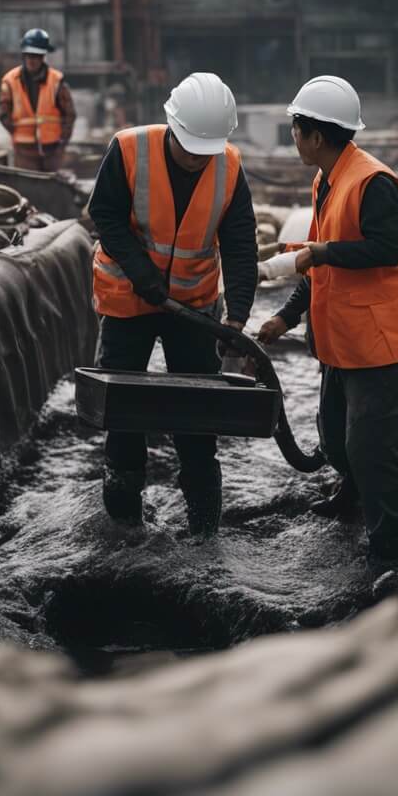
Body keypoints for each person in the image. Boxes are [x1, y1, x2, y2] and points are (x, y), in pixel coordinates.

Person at [256, 75, 398, 583]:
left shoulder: (372, 181)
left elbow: (386, 248)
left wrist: (317, 253)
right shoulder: (328, 178)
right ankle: (353, 495)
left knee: (372, 449)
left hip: (378, 339)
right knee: (335, 439)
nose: (293, 137)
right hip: (341, 338)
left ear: (317, 136)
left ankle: (392, 545)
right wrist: (286, 317)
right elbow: (320, 265)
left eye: (296, 129)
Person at [88, 72, 258, 538]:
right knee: (124, 414)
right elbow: (104, 214)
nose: (198, 160)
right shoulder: (128, 149)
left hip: (194, 303)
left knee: (198, 416)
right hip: (128, 298)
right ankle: (124, 519)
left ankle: (204, 525)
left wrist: (237, 316)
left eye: (207, 151)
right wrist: (142, 273)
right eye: (190, 150)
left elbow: (241, 244)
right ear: (172, 126)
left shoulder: (227, 165)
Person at [0, 28, 76, 172]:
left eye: (36, 55)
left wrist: (63, 143)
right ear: (23, 55)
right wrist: (14, 131)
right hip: (24, 151)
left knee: (51, 190)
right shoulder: (10, 80)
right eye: (28, 55)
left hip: (52, 150)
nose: (31, 59)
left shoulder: (57, 81)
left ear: (43, 56)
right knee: (27, 189)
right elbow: (3, 112)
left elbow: (69, 114)